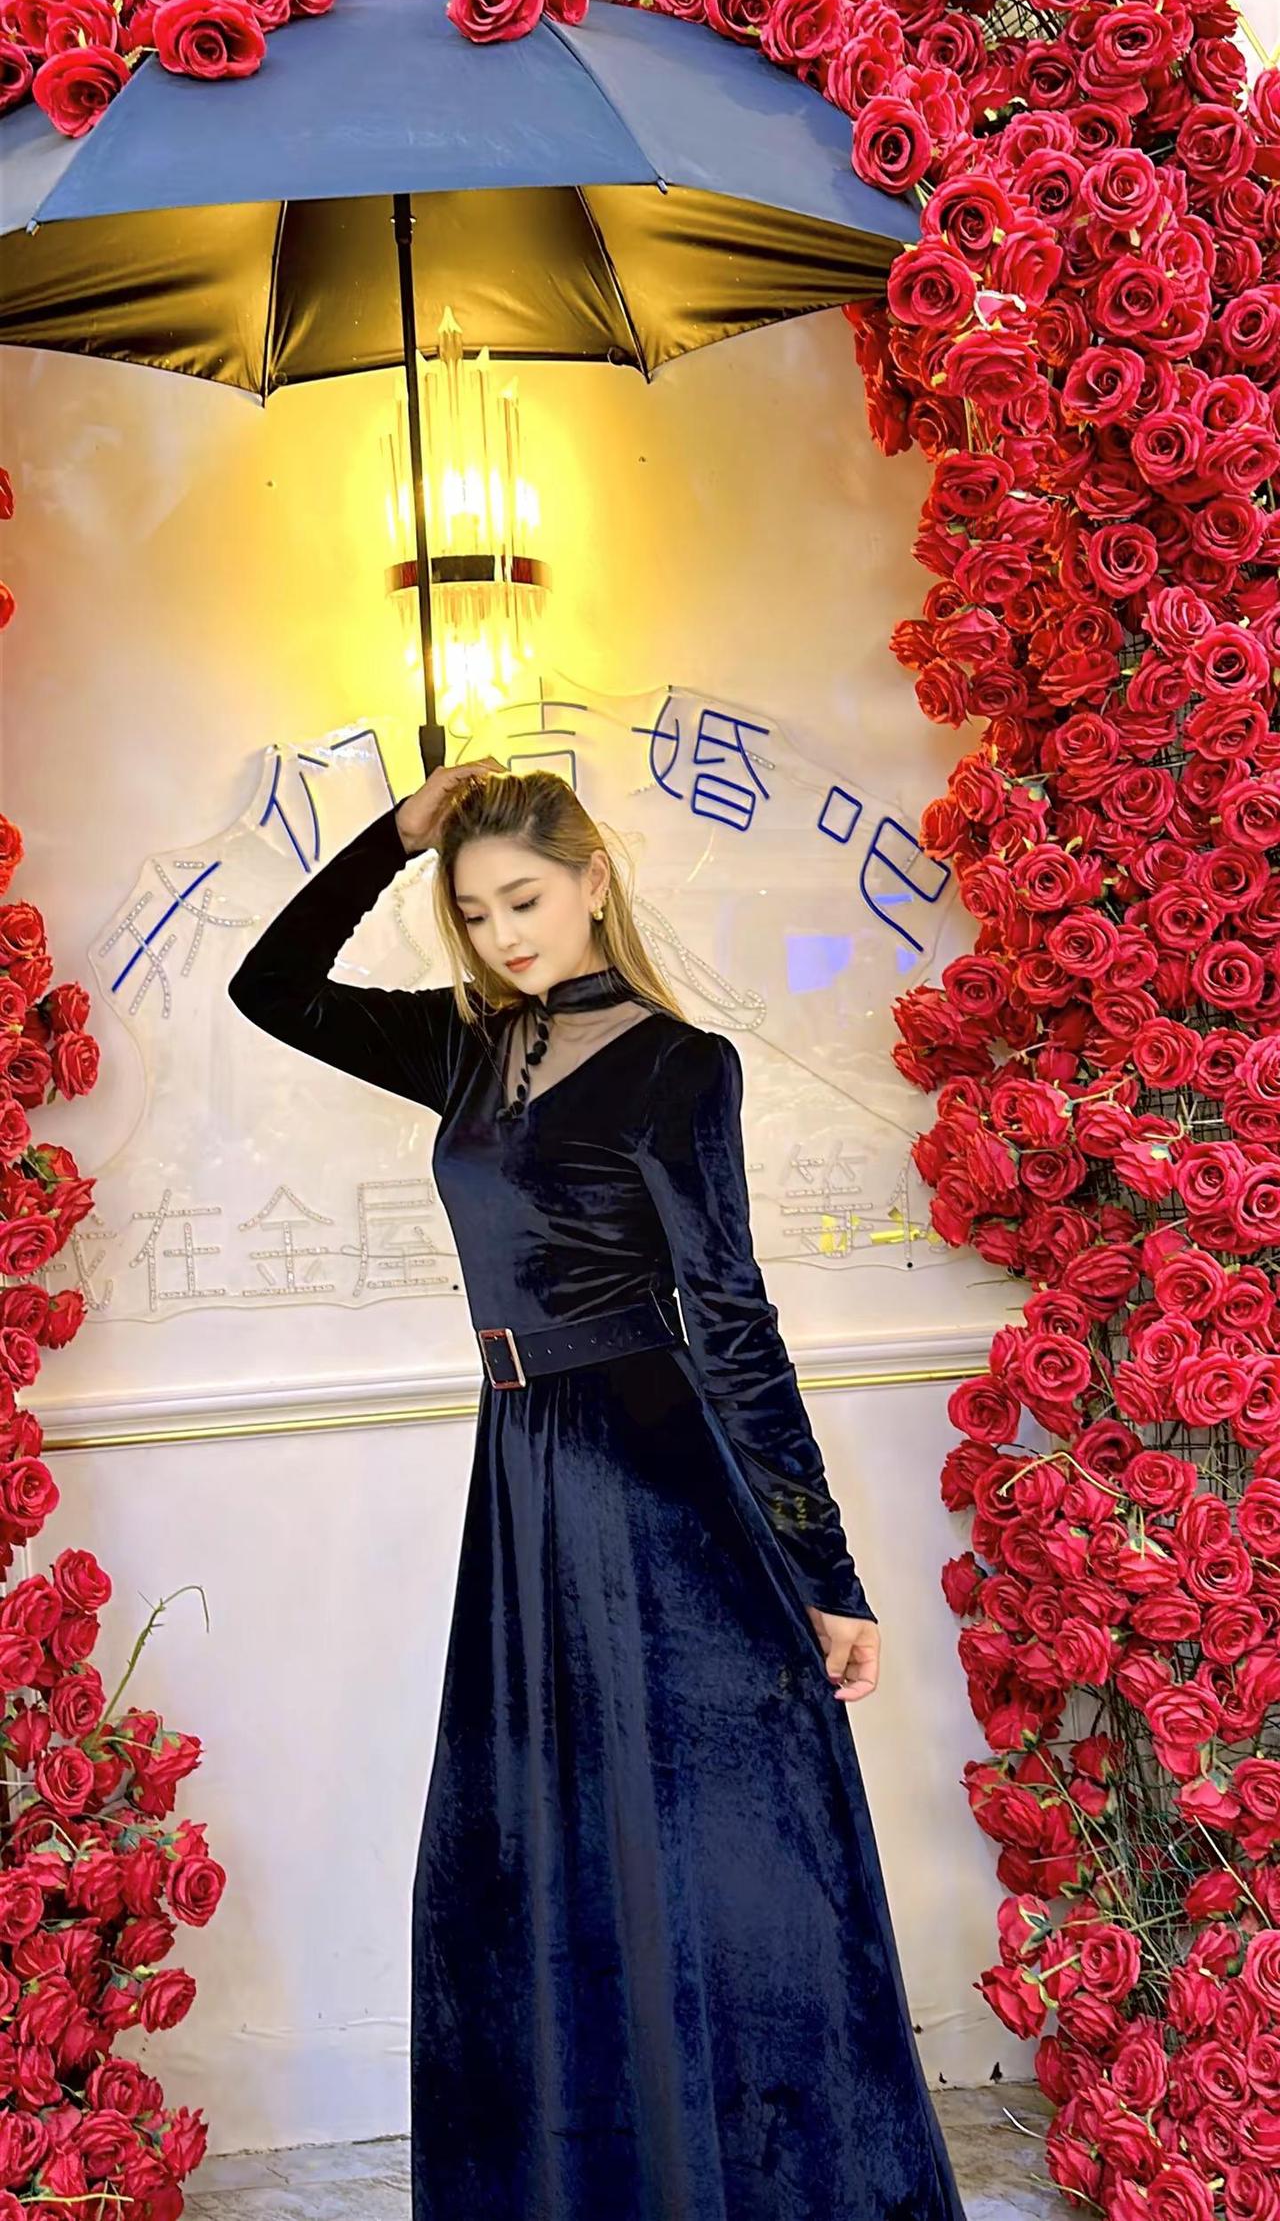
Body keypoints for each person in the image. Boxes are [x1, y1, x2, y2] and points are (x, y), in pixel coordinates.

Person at [227, 756, 968, 2221]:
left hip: (651, 1476)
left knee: (695, 1846)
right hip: (520, 1470)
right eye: (475, 911)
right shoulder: (465, 1049)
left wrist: (824, 1573)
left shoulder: (681, 1067)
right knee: (540, 1846)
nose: (503, 934)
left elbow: (732, 1320)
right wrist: (395, 835)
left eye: (525, 900)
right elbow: (272, 988)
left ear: (592, 883)